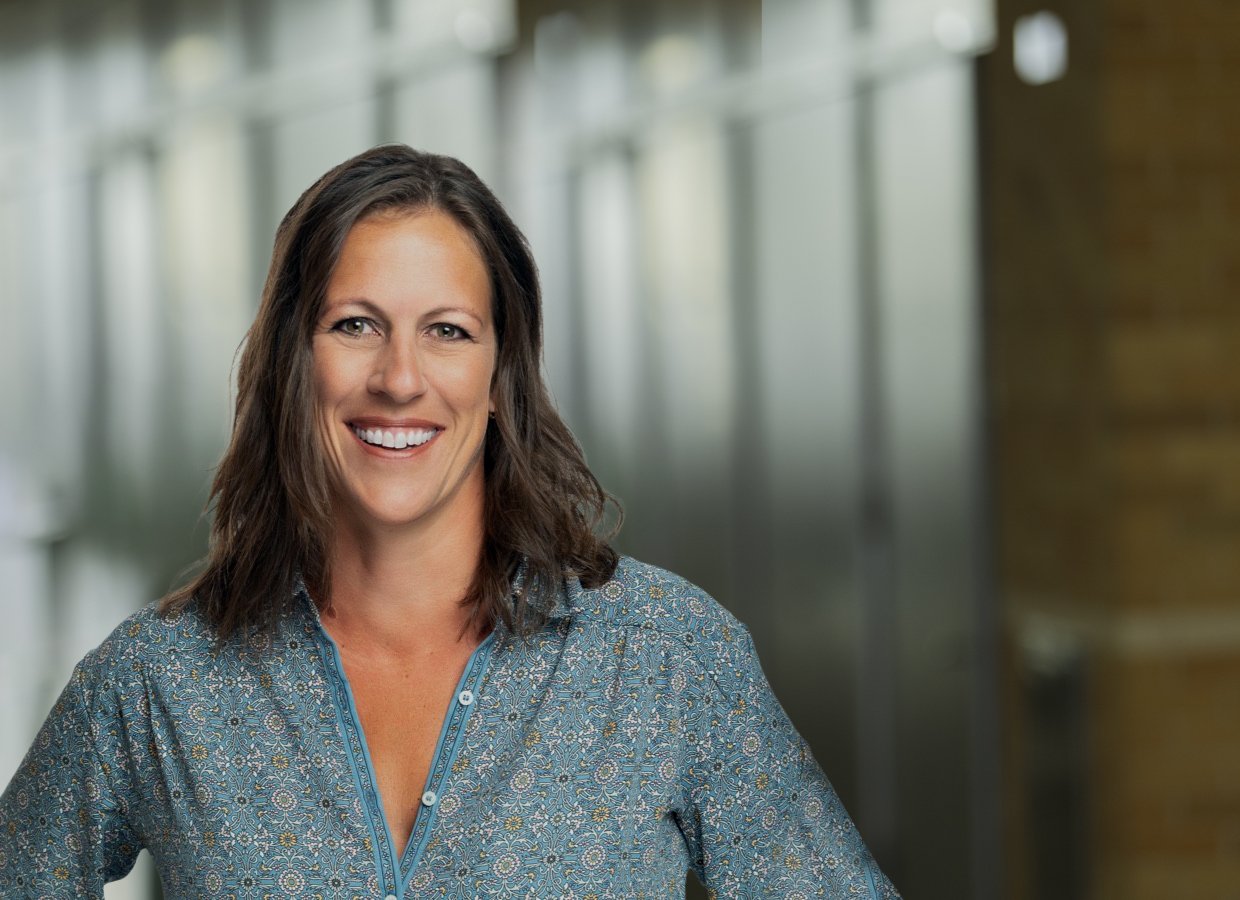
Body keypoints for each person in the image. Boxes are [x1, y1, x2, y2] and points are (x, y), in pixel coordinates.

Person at [0, 145, 899, 898]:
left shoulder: (665, 659)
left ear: (503, 378)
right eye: (355, 324)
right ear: (291, 363)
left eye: (449, 331)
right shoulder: (158, 682)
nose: (399, 377)